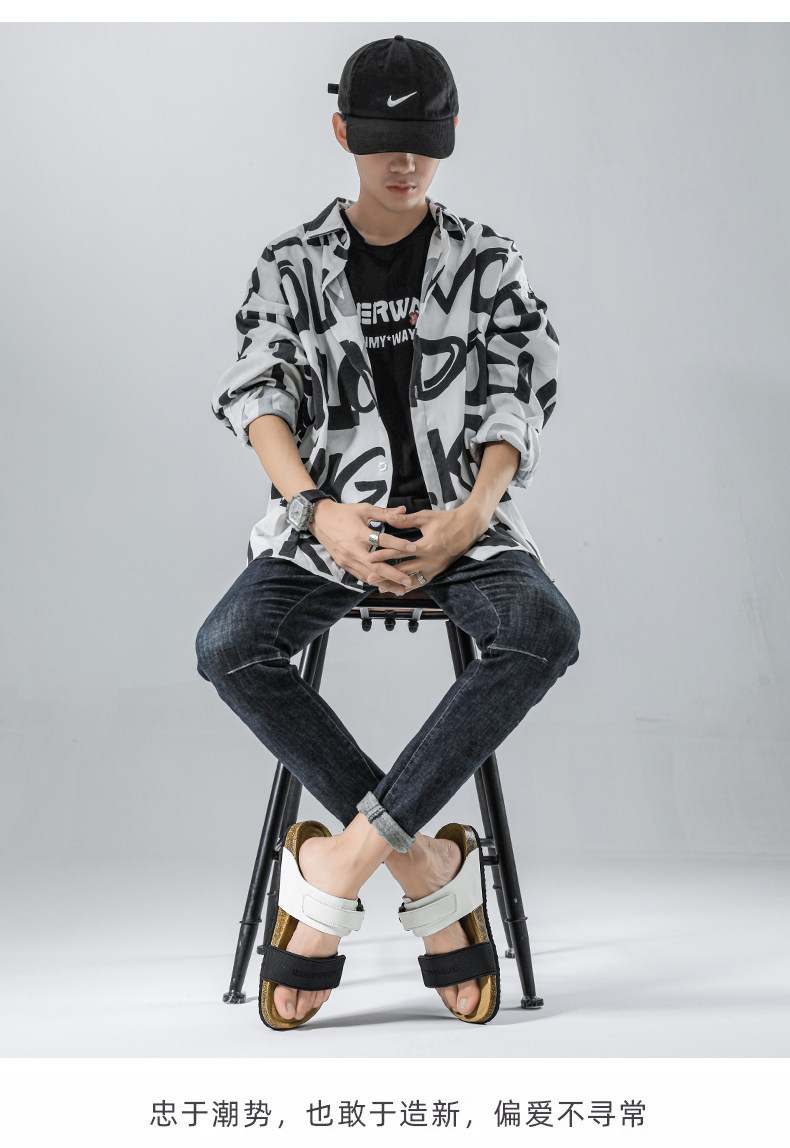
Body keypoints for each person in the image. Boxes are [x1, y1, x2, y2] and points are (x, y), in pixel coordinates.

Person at [195, 34, 581, 1030]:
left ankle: (338, 869)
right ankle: (426, 870)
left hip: (465, 524)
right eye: (379, 138)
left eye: (423, 140)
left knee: (543, 627)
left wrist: (467, 519)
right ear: (342, 133)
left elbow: (519, 395)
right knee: (229, 646)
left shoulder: (488, 260)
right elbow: (255, 392)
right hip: (328, 524)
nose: (403, 160)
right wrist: (315, 509)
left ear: (449, 137)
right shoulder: (290, 264)